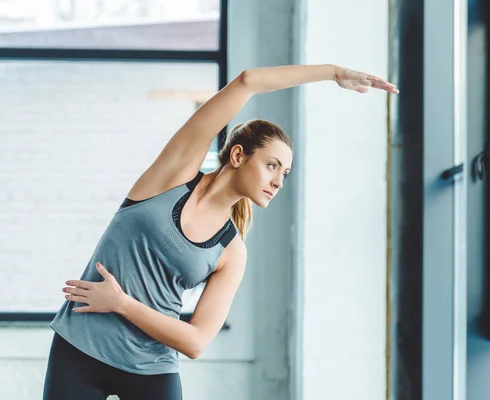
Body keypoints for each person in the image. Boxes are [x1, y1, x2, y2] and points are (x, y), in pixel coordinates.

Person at [42, 64, 399, 400]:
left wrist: (121, 304)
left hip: (150, 369)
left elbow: (196, 342)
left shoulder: (231, 251)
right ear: (239, 156)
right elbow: (247, 81)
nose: (278, 181)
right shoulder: (172, 177)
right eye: (272, 165)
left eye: (285, 174)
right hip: (81, 348)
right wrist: (334, 72)